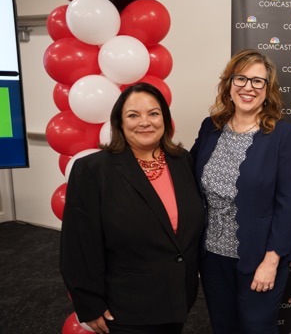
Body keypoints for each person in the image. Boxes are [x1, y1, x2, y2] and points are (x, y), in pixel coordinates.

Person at [60, 82, 205, 334]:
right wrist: (90, 303)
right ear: (119, 122)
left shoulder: (182, 160)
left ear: (165, 119)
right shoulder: (93, 170)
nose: (145, 122)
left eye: (153, 113)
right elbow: (78, 245)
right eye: (133, 115)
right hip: (126, 308)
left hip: (178, 298)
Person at [191, 49, 291, 333]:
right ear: (229, 84)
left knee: (257, 328)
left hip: (259, 258)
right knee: (223, 327)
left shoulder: (283, 136)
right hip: (212, 257)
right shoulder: (211, 128)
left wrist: (271, 260)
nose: (248, 88)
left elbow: (289, 206)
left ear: (268, 90)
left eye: (258, 82)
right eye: (241, 79)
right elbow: (187, 176)